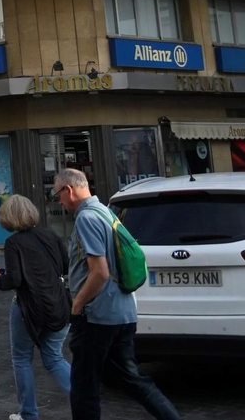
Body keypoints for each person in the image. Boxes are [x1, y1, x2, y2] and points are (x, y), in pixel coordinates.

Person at [55, 168, 180, 420]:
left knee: (84, 386)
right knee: (132, 378)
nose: (58, 200)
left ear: (68, 190)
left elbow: (100, 272)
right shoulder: (106, 212)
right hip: (122, 312)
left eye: (57, 194)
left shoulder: (86, 218)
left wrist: (77, 305)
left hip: (97, 316)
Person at [0, 194, 70, 420]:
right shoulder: (50, 234)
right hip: (57, 304)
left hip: (28, 307)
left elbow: (14, 280)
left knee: (22, 358)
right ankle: (85, 403)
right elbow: (65, 265)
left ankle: (29, 414)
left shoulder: (13, 243)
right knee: (54, 358)